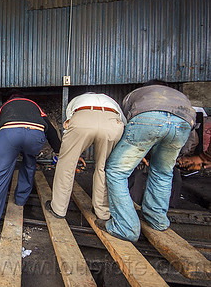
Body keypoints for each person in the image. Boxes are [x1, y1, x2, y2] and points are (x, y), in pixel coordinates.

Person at [99, 82, 195, 242]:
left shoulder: (135, 95)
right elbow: (190, 137)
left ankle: (126, 227)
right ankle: (156, 219)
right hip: (183, 123)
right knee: (163, 172)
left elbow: (124, 126)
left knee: (117, 171)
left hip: (147, 119)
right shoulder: (179, 96)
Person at [0, 91, 61, 238]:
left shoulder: (6, 105)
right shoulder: (35, 106)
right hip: (35, 136)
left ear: (11, 99)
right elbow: (51, 130)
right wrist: (58, 152)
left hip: (10, 135)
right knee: (29, 164)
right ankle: (20, 200)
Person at [47, 93, 126, 220]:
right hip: (112, 122)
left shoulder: (76, 100)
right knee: (103, 167)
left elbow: (69, 126)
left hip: (82, 118)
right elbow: (124, 123)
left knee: (66, 165)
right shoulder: (111, 101)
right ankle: (102, 211)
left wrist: (74, 153)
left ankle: (58, 209)